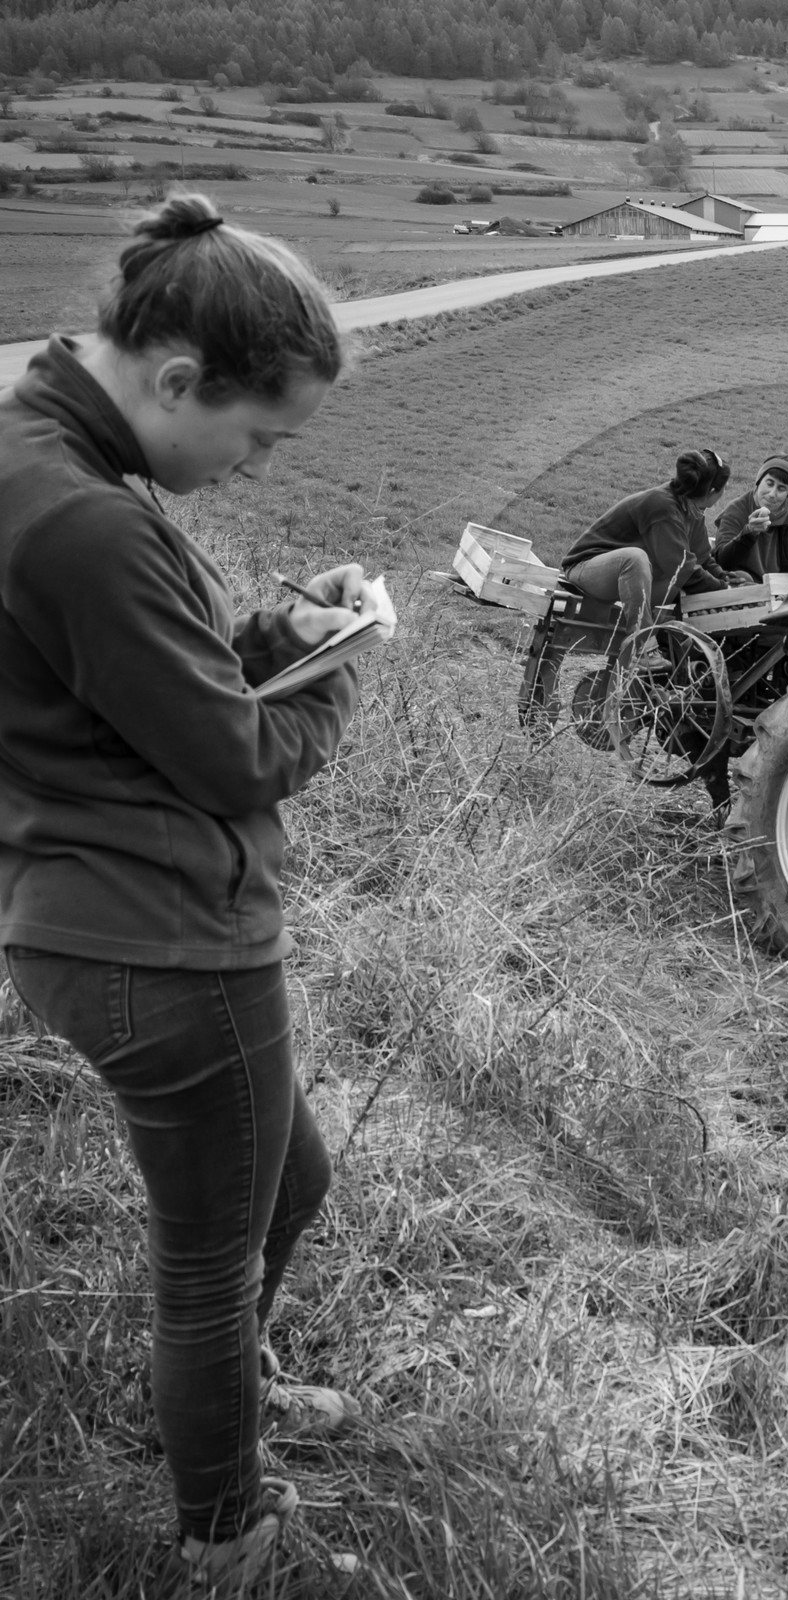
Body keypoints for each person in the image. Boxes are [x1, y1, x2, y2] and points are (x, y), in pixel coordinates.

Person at [0, 193, 373, 1585]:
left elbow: (142, 681)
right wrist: (334, 680)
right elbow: (234, 759)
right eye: (258, 432)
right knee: (210, 1257)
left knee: (289, 1182)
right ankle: (227, 1531)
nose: (259, 461)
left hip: (91, 906)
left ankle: (224, 1391)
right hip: (160, 939)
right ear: (173, 379)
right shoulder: (84, 520)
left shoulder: (46, 464)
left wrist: (272, 630)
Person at [560, 448, 750, 650]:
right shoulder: (662, 506)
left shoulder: (692, 510)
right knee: (635, 559)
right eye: (723, 489)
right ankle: (643, 646)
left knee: (704, 581)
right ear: (712, 491)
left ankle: (677, 648)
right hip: (587, 568)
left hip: (630, 579)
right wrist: (723, 590)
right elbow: (682, 567)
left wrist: (727, 580)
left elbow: (702, 560)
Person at [713, 453, 788, 581]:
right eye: (769, 483)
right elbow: (723, 561)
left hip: (780, 589)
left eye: (781, 488)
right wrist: (749, 533)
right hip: (743, 586)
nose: (772, 494)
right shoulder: (736, 510)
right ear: (759, 481)